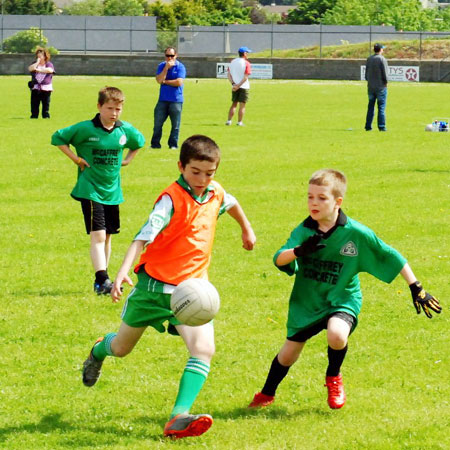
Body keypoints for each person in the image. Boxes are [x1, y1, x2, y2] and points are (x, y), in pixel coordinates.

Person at [81, 135, 256, 439]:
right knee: (121, 348)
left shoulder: (215, 192)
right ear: (181, 167)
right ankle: (98, 350)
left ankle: (178, 417)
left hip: (191, 292)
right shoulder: (170, 200)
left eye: (209, 173)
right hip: (152, 290)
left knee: (203, 349)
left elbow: (233, 203)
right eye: (195, 172)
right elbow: (141, 237)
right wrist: (122, 272)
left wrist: (247, 230)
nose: (202, 180)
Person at [248, 169, 441, 411]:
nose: (313, 203)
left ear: (338, 202)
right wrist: (299, 251)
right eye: (310, 197)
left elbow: (390, 255)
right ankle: (266, 394)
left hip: (343, 297)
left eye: (321, 198)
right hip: (307, 301)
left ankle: (334, 377)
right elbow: (279, 259)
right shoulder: (304, 230)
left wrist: (416, 287)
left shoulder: (356, 233)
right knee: (288, 355)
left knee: (337, 334)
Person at [51, 87, 145, 295]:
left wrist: (128, 159)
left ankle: (105, 279)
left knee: (108, 236)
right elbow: (58, 137)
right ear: (99, 107)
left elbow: (139, 142)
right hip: (90, 188)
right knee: (99, 235)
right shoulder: (86, 129)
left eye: (118, 109)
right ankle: (101, 280)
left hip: (112, 191)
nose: (114, 113)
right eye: (109, 108)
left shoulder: (124, 130)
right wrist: (76, 159)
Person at [150, 47, 186, 150]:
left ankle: (173, 145)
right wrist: (166, 68)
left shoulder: (180, 67)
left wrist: (165, 82)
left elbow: (179, 82)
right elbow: (158, 80)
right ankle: (155, 144)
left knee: (175, 125)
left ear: (176, 55)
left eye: (172, 56)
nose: (170, 58)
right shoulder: (161, 66)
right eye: (167, 56)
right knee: (157, 124)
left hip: (176, 100)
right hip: (163, 100)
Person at [226, 46, 252, 127]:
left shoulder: (233, 61)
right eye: (247, 53)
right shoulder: (246, 63)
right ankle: (239, 122)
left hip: (234, 86)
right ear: (244, 53)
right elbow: (245, 77)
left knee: (234, 104)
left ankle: (229, 121)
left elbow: (229, 74)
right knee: (242, 105)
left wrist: (234, 84)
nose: (247, 54)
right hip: (243, 86)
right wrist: (239, 85)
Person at [365, 43, 389, 131]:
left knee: (370, 107)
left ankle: (368, 126)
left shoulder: (369, 59)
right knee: (381, 107)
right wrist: (386, 82)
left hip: (371, 87)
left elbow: (366, 74)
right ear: (380, 50)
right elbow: (385, 74)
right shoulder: (382, 59)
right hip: (381, 87)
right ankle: (381, 127)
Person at [28, 47, 55, 119]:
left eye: (41, 56)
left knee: (46, 103)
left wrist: (39, 70)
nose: (39, 57)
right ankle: (34, 116)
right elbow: (31, 68)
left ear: (45, 56)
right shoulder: (34, 64)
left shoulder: (49, 64)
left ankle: (45, 116)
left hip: (46, 88)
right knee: (34, 104)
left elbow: (50, 70)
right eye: (38, 55)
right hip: (35, 87)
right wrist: (37, 63)